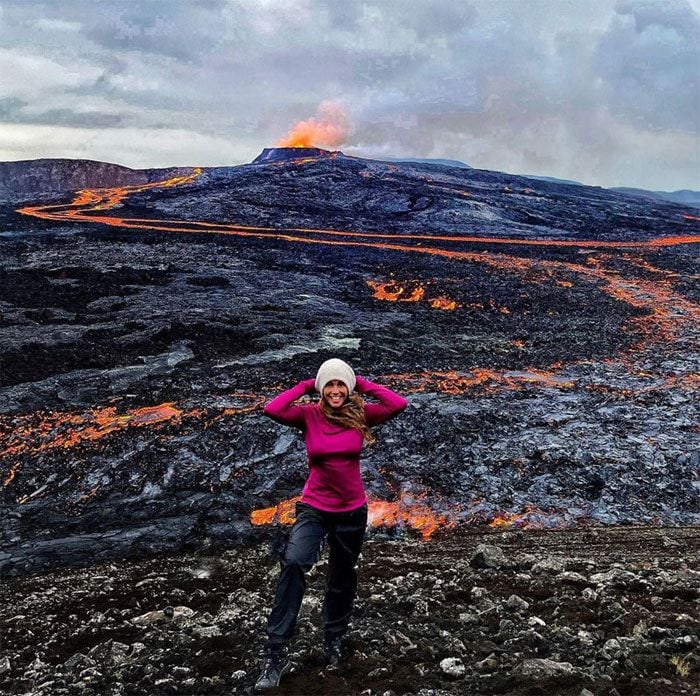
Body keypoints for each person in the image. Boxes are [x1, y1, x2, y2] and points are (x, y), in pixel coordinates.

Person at [254, 358, 408, 692]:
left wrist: (359, 382)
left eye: (341, 385)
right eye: (330, 385)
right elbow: (273, 408)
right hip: (314, 508)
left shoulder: (361, 414)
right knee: (294, 563)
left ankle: (334, 638)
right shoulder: (308, 415)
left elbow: (398, 403)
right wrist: (307, 384)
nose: (336, 390)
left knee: (342, 575)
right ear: (322, 389)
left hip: (352, 511)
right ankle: (275, 654)